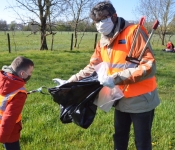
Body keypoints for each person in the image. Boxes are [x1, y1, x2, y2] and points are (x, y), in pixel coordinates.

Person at [66, 1, 160, 150]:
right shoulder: (103, 40)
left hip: (141, 100)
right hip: (119, 99)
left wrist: (116, 78)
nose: (99, 25)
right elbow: (93, 66)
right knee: (119, 138)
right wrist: (72, 80)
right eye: (96, 22)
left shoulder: (134, 32)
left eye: (102, 19)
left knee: (142, 143)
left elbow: (149, 66)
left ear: (114, 16)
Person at [0, 56, 34, 150]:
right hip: (8, 134)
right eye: (30, 72)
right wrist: (1, 138)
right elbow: (9, 119)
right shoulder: (19, 94)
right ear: (22, 74)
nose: (31, 74)